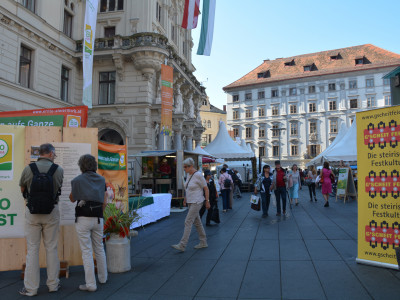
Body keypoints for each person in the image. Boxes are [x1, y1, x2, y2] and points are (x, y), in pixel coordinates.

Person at [19, 143, 64, 297]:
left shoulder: (28, 169)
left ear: (41, 153)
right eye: (55, 154)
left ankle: (31, 288)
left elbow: (22, 188)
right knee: (51, 248)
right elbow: (58, 189)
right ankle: (53, 284)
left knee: (32, 250)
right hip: (51, 212)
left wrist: (30, 199)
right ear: (51, 154)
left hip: (32, 212)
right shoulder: (58, 170)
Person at [69, 154, 108, 292]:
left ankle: (91, 284)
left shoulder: (77, 180)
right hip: (98, 217)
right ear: (94, 165)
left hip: (83, 218)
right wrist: (100, 212)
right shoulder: (101, 179)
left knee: (86, 251)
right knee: (99, 248)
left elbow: (72, 199)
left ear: (81, 166)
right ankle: (103, 278)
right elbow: (105, 200)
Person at [172, 158, 210, 252]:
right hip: (191, 201)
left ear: (191, 166)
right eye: (183, 167)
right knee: (197, 222)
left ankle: (182, 244)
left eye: (185, 167)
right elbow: (188, 188)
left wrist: (207, 200)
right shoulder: (189, 174)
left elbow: (206, 188)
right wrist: (185, 199)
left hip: (197, 201)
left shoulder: (198, 175)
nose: (184, 169)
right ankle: (203, 242)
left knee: (188, 221)